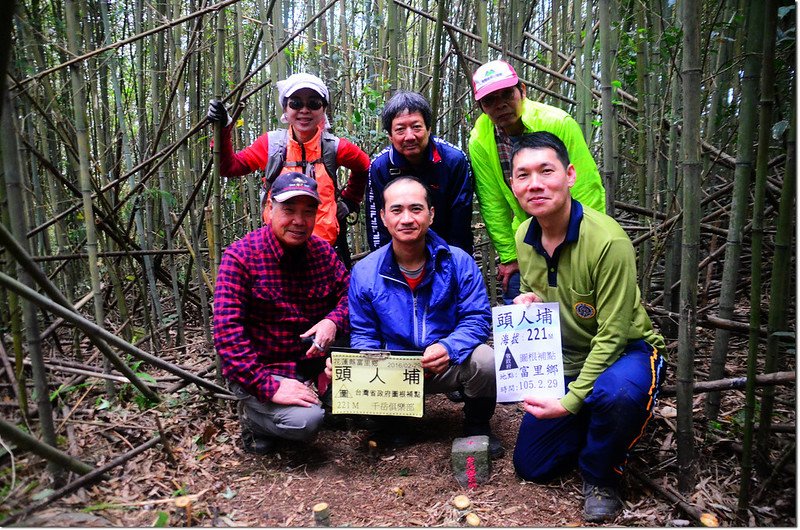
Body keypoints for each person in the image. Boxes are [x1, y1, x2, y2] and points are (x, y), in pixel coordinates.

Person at [507, 132, 666, 522]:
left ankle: (601, 475)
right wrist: (527, 298)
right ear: (512, 184)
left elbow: (612, 334)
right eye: (523, 175)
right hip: (569, 355)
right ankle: (594, 420)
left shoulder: (607, 240)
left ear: (570, 175)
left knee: (616, 396)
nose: (535, 184)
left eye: (547, 171)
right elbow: (534, 285)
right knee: (532, 465)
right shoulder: (523, 236)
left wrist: (569, 401)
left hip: (628, 350)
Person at [348, 176, 503, 458]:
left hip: (445, 362)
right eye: (396, 210)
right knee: (350, 370)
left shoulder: (458, 262)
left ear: (431, 215)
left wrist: (449, 347)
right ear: (383, 217)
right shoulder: (365, 271)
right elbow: (363, 333)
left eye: (416, 209)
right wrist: (364, 366)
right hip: (394, 370)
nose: (406, 218)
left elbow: (477, 317)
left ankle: (477, 426)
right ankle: (392, 422)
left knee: (485, 360)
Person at [213, 172, 349, 454]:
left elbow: (353, 298)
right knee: (307, 421)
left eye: (308, 212)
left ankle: (318, 394)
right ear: (268, 210)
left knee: (361, 402)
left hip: (311, 364)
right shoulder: (241, 257)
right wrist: (267, 386)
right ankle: (254, 420)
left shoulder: (323, 252)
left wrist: (332, 321)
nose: (299, 221)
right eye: (288, 210)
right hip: (263, 369)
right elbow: (228, 335)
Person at [468, 59, 607, 303]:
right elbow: (493, 202)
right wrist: (510, 257)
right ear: (481, 106)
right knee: (518, 296)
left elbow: (586, 187)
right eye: (490, 100)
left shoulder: (557, 123)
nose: (500, 105)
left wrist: (589, 245)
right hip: (529, 238)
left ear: (522, 90)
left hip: (571, 232)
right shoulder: (480, 139)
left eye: (506, 95)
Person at [207, 72, 370, 268]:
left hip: (323, 253)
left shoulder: (334, 147)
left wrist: (350, 200)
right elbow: (229, 167)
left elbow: (364, 166)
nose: (304, 110)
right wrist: (224, 127)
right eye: (295, 103)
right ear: (285, 108)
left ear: (323, 109)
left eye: (313, 103)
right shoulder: (272, 144)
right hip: (277, 253)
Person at [366, 91, 474, 254]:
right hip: (400, 253)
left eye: (416, 127)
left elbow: (461, 223)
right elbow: (377, 226)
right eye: (400, 129)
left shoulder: (453, 160)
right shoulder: (381, 167)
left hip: (446, 248)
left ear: (429, 128)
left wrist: (455, 263)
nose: (409, 136)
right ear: (390, 135)